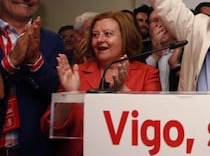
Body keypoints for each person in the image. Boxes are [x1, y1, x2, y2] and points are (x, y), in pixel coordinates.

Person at [41, 11, 161, 156]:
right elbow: (52, 128)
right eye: (95, 35)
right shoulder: (76, 73)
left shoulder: (147, 74)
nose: (99, 40)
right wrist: (70, 95)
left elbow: (153, 126)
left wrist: (122, 90)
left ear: (126, 37)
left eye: (107, 34)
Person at [0, 0, 64, 155]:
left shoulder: (52, 41)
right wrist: (11, 62)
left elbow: (58, 94)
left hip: (34, 146)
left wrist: (35, 60)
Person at [146, 9, 182, 91]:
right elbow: (138, 82)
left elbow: (190, 87)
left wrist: (175, 65)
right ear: (148, 26)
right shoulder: (140, 49)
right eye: (155, 21)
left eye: (164, 20)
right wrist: (155, 56)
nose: (160, 25)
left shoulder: (185, 50)